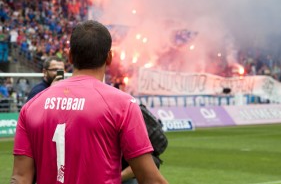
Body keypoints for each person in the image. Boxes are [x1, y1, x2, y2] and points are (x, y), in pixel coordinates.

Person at [11, 20, 168, 184]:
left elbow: (20, 178)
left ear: (70, 56)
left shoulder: (32, 106)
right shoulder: (123, 104)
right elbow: (150, 179)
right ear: (109, 57)